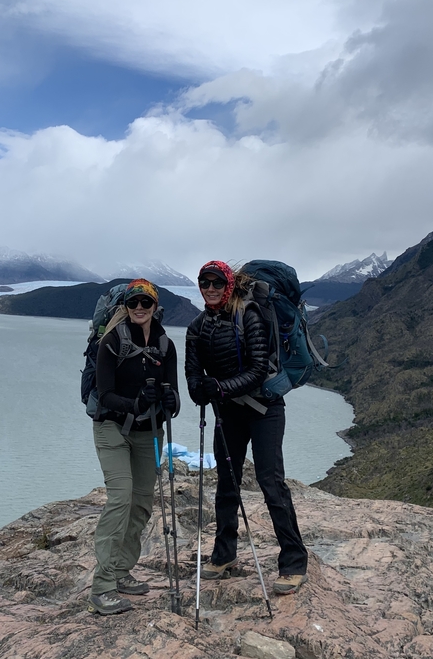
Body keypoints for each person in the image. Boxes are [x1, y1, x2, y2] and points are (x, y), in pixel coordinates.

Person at [184, 261, 309, 595]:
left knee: (271, 482)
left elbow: (257, 369)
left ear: (228, 284)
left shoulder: (249, 314)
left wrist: (219, 388)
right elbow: (193, 375)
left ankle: (294, 561)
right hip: (229, 412)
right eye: (203, 283)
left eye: (215, 283)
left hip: (264, 409)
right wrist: (201, 389)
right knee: (227, 483)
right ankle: (224, 554)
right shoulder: (197, 327)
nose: (209, 289)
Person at [89, 278, 179, 615]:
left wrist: (170, 400)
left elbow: (175, 398)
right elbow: (105, 395)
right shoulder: (111, 342)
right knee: (120, 498)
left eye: (145, 303)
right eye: (133, 304)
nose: (139, 309)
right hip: (112, 428)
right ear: (125, 307)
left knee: (141, 503)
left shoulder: (166, 345)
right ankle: (102, 588)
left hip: (150, 434)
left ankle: (122, 571)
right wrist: (137, 402)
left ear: (155, 306)